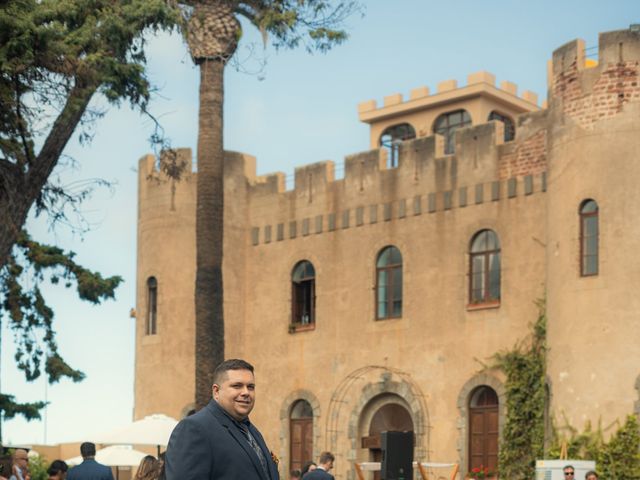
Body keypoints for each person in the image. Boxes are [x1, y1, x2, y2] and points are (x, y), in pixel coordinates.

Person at [164, 359, 279, 480]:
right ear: (216, 391)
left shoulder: (252, 431)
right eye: (237, 386)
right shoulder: (194, 429)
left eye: (250, 387)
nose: (246, 392)